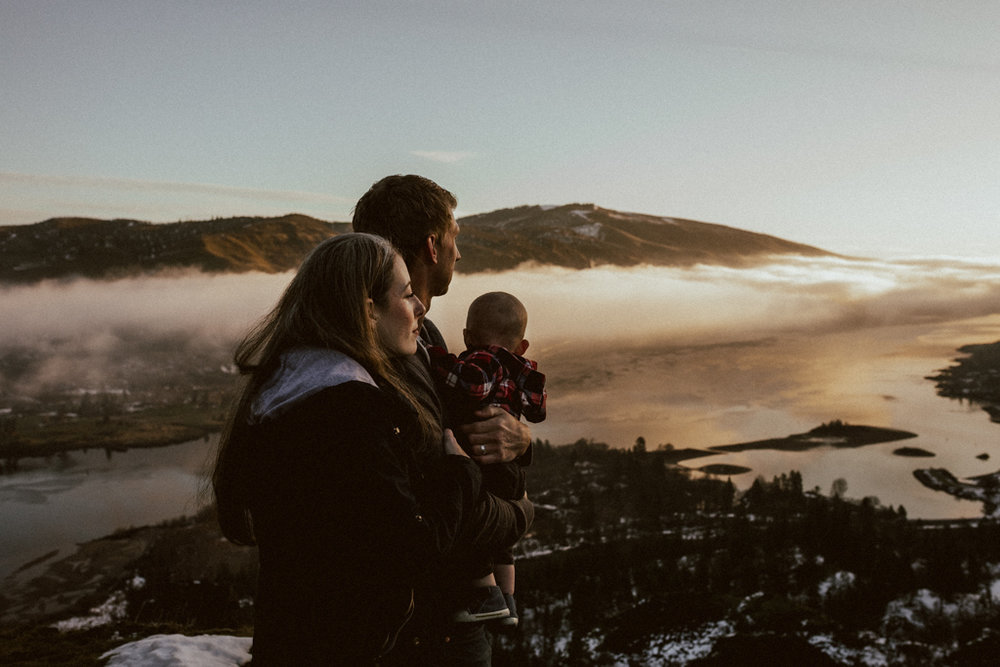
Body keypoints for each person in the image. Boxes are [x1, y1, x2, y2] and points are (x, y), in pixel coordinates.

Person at [211, 233, 483, 665]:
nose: (420, 307)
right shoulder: (346, 409)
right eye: (407, 293)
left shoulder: (287, 385)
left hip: (292, 642)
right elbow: (412, 550)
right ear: (367, 308)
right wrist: (461, 473)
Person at [352, 174, 534, 665]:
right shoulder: (385, 348)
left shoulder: (423, 332)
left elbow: (462, 424)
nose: (460, 254)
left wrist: (520, 442)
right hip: (425, 628)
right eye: (456, 239)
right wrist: (521, 515)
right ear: (433, 245)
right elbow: (431, 492)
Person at [428, 291, 547, 628]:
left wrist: (436, 359)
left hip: (486, 463)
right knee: (504, 542)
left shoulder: (486, 360)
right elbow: (537, 411)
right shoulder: (525, 369)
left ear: (468, 337)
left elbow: (473, 384)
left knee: (476, 527)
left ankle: (485, 595)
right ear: (522, 345)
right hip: (510, 468)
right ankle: (508, 600)